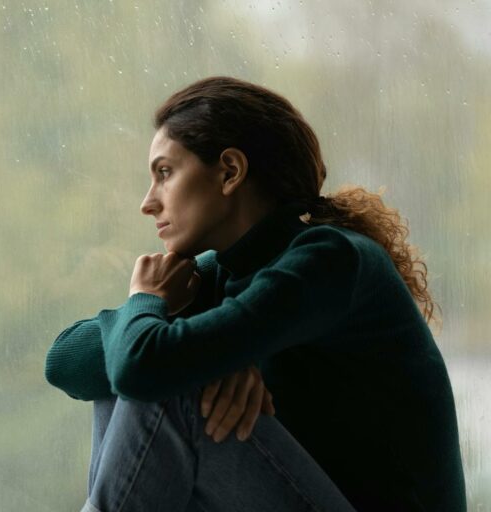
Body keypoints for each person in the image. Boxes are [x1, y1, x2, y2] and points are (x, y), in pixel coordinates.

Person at [44, 76, 466, 511]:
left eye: (165, 173)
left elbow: (143, 369)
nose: (147, 202)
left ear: (230, 171)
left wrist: (146, 304)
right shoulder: (218, 274)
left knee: (158, 375)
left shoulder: (330, 259)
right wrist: (174, 324)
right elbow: (63, 364)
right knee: (127, 368)